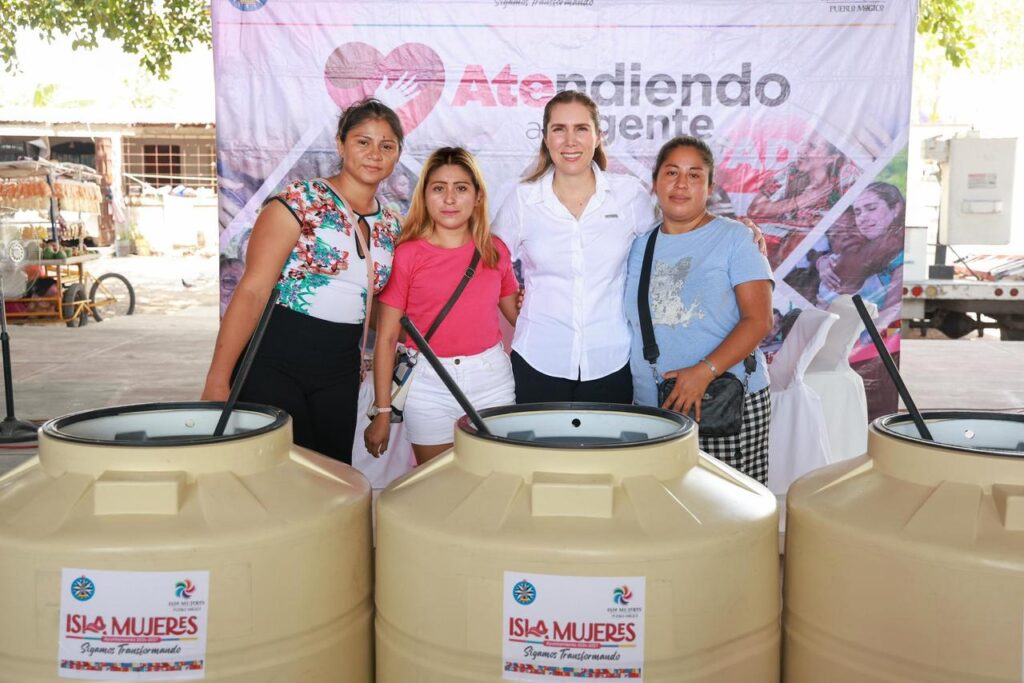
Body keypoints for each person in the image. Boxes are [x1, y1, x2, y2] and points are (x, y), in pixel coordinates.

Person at [494, 90, 763, 406]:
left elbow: (673, 237)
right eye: (559, 129)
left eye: (581, 128)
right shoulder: (522, 200)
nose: (570, 141)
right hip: (537, 358)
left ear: (598, 137)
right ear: (546, 137)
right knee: (541, 455)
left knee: (607, 456)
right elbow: (491, 266)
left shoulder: (629, 196)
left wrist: (733, 230)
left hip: (612, 361)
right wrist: (524, 318)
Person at [202, 98, 404, 464]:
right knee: (278, 475)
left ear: (397, 154)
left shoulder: (392, 224)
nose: (374, 153)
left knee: (330, 477)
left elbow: (378, 305)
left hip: (341, 369)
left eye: (386, 145)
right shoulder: (298, 202)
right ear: (341, 144)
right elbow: (252, 292)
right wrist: (217, 378)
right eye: (363, 141)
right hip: (276, 361)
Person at [625, 136, 774, 483]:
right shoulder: (638, 246)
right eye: (672, 172)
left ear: (709, 187)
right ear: (655, 182)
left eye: (694, 175)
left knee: (732, 511)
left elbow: (759, 320)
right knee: (664, 514)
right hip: (654, 409)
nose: (681, 184)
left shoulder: (737, 239)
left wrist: (703, 372)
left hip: (725, 401)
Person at [364, 147, 519, 465]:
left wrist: (534, 301)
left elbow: (517, 316)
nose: (450, 198)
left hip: (491, 380)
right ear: (424, 196)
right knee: (435, 485)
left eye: (461, 188)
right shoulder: (407, 255)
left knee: (495, 479)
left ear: (477, 197)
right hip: (427, 383)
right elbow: (387, 337)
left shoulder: (495, 251)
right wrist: (382, 410)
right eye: (439, 188)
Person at [747, 131, 858, 268]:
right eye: (802, 143)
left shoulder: (844, 175)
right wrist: (800, 200)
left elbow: (854, 217)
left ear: (831, 158)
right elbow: (755, 209)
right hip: (779, 241)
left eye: (811, 146)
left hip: (819, 250)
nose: (801, 150)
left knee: (793, 244)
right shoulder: (792, 172)